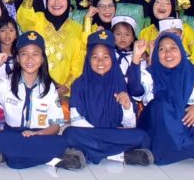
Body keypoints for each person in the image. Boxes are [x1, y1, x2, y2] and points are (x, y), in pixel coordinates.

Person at [0, 32, 83, 171]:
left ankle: (9, 156)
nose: (30, 59)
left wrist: (37, 134)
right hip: (13, 134)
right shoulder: (6, 83)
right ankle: (52, 159)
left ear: (42, 59)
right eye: (24, 54)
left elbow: (55, 126)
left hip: (40, 135)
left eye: (35, 54)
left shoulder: (49, 88)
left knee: (60, 141)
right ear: (18, 58)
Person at [62, 31, 154, 165]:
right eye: (95, 57)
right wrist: (103, 133)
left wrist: (127, 107)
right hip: (92, 132)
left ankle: (91, 152)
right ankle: (121, 155)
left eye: (106, 57)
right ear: (88, 59)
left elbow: (130, 125)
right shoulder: (79, 84)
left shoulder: (120, 83)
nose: (100, 62)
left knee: (142, 136)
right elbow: (77, 121)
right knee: (70, 134)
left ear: (112, 59)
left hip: (107, 135)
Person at [138, 33, 194, 170]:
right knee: (160, 106)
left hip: (181, 117)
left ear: (181, 50)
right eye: (162, 49)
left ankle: (187, 148)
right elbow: (137, 90)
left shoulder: (191, 72)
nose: (168, 53)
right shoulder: (150, 73)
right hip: (158, 122)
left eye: (173, 48)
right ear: (156, 54)